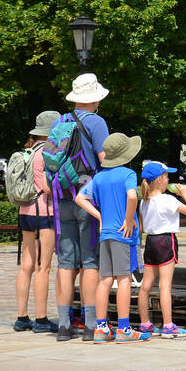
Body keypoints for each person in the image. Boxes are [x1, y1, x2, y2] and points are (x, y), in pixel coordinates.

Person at [52, 74, 111, 342]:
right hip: (87, 199)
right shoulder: (97, 122)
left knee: (65, 264)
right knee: (90, 262)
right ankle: (90, 325)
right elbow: (104, 159)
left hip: (62, 196)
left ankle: (64, 326)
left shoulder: (60, 121)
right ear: (95, 99)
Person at [75, 132, 150, 343]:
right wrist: (128, 220)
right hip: (122, 234)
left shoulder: (99, 177)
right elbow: (132, 196)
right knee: (124, 278)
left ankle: (100, 328)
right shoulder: (127, 174)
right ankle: (124, 329)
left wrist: (99, 216)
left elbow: (80, 198)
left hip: (105, 233)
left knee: (105, 279)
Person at [135, 161, 186, 338]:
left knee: (145, 285)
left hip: (151, 241)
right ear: (160, 180)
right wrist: (185, 194)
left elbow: (141, 227)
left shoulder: (144, 202)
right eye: (167, 176)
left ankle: (145, 323)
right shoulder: (168, 199)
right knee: (164, 285)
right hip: (166, 240)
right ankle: (168, 325)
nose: (169, 179)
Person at [14, 111, 60, 333]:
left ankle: (22, 317)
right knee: (44, 267)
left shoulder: (27, 151)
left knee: (26, 266)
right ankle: (41, 319)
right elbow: (48, 188)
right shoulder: (47, 153)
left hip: (25, 212)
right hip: (45, 212)